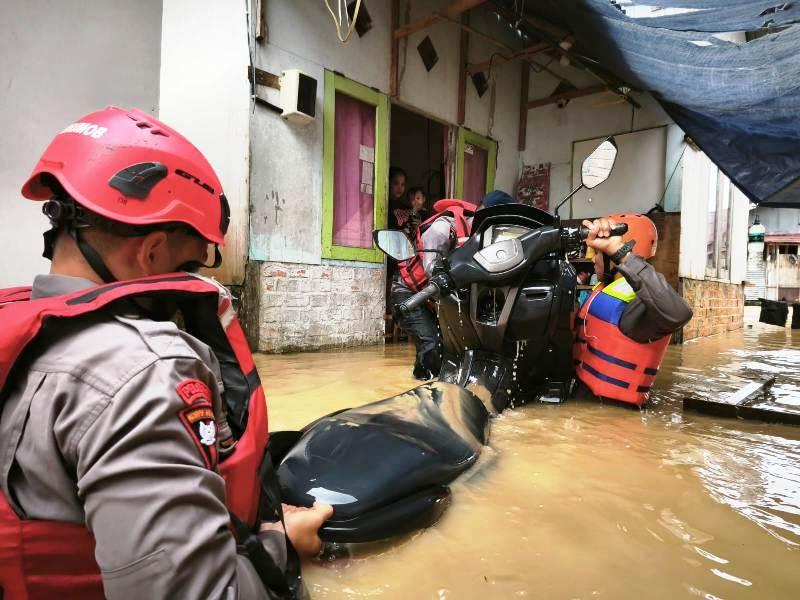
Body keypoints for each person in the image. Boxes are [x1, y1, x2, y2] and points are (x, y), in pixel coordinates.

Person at [0, 106, 332, 599]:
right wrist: (280, 545)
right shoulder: (142, 372)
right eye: (191, 263)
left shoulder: (22, 331)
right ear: (152, 253)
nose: (194, 280)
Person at [392, 190, 515, 380]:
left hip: (435, 297)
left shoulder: (485, 237)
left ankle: (433, 378)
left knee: (451, 349)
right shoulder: (442, 228)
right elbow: (430, 270)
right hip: (409, 295)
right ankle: (421, 386)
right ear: (484, 214)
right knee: (431, 345)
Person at [573, 213, 693, 407]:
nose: (593, 260)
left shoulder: (636, 306)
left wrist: (618, 251)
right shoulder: (602, 290)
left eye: (598, 253)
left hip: (611, 421)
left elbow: (679, 313)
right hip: (587, 404)